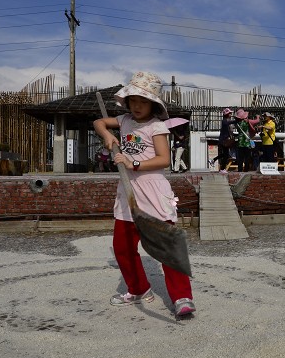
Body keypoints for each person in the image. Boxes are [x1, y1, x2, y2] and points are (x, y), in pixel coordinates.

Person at [93, 71, 195, 317]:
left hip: (153, 191)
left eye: (143, 101)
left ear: (153, 104)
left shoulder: (157, 126)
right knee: (123, 247)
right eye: (133, 101)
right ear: (127, 102)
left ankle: (182, 296)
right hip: (128, 193)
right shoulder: (125, 120)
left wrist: (133, 164)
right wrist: (107, 135)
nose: (137, 106)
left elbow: (163, 160)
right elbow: (99, 122)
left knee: (167, 246)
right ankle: (139, 288)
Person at [210, 108, 238, 173]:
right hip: (223, 140)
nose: (231, 114)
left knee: (225, 154)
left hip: (223, 140)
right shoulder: (224, 121)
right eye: (230, 113)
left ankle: (213, 160)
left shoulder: (226, 120)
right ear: (227, 114)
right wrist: (237, 120)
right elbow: (230, 122)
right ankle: (222, 169)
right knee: (226, 155)